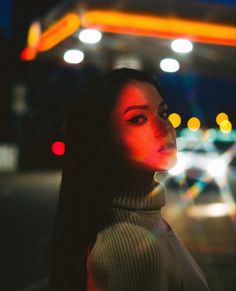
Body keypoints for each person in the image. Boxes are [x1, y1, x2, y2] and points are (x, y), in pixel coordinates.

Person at [50, 68, 210, 291]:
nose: (163, 127)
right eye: (138, 119)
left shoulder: (141, 218)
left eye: (163, 113)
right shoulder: (132, 248)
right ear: (101, 140)